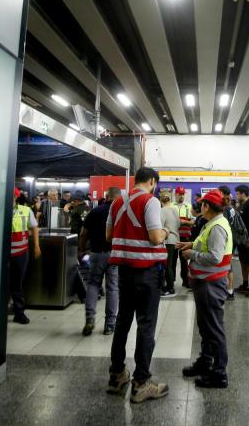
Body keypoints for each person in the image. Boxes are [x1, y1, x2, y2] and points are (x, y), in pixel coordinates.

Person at [105, 168, 169, 403]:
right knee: (146, 325)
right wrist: (165, 231)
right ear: (152, 182)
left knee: (122, 322)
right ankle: (141, 383)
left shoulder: (117, 202)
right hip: (146, 273)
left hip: (124, 272)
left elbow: (109, 235)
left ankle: (117, 375)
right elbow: (154, 238)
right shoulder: (150, 201)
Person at [177, 190, 232, 389]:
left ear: (207, 206)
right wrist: (191, 243)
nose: (199, 207)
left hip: (211, 283)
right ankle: (205, 361)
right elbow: (206, 245)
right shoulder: (212, 223)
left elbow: (215, 256)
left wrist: (192, 254)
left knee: (214, 329)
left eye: (201, 204)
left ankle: (219, 373)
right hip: (205, 282)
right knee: (206, 325)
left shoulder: (217, 226)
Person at [80, 187, 120, 336]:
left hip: (96, 254)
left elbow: (84, 233)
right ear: (118, 198)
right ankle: (110, 325)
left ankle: (90, 319)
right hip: (114, 255)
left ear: (107, 196)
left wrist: (82, 249)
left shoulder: (95, 211)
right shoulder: (120, 212)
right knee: (112, 288)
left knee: (93, 284)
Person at [10, 188, 40, 324]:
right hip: (1, 253)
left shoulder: (25, 210)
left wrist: (36, 246)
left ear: (16, 197)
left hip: (20, 253)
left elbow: (34, 227)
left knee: (17, 283)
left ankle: (19, 312)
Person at [217, 186, 239, 300]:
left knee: (226, 265)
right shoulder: (231, 208)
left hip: (226, 239)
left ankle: (229, 290)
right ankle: (229, 289)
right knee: (227, 264)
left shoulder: (225, 209)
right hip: (231, 239)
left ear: (223, 194)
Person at [160, 192, 180, 298]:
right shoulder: (175, 210)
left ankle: (170, 288)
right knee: (172, 265)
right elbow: (179, 224)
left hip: (168, 240)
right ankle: (171, 285)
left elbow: (160, 226)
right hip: (176, 239)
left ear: (161, 201)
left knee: (167, 266)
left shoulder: (162, 211)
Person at [174, 187, 194, 290]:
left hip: (185, 238)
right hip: (173, 238)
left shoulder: (188, 206)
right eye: (179, 194)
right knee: (172, 261)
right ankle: (170, 282)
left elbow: (193, 222)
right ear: (175, 194)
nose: (181, 196)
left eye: (183, 194)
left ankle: (186, 281)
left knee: (184, 260)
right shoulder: (171, 206)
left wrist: (185, 222)